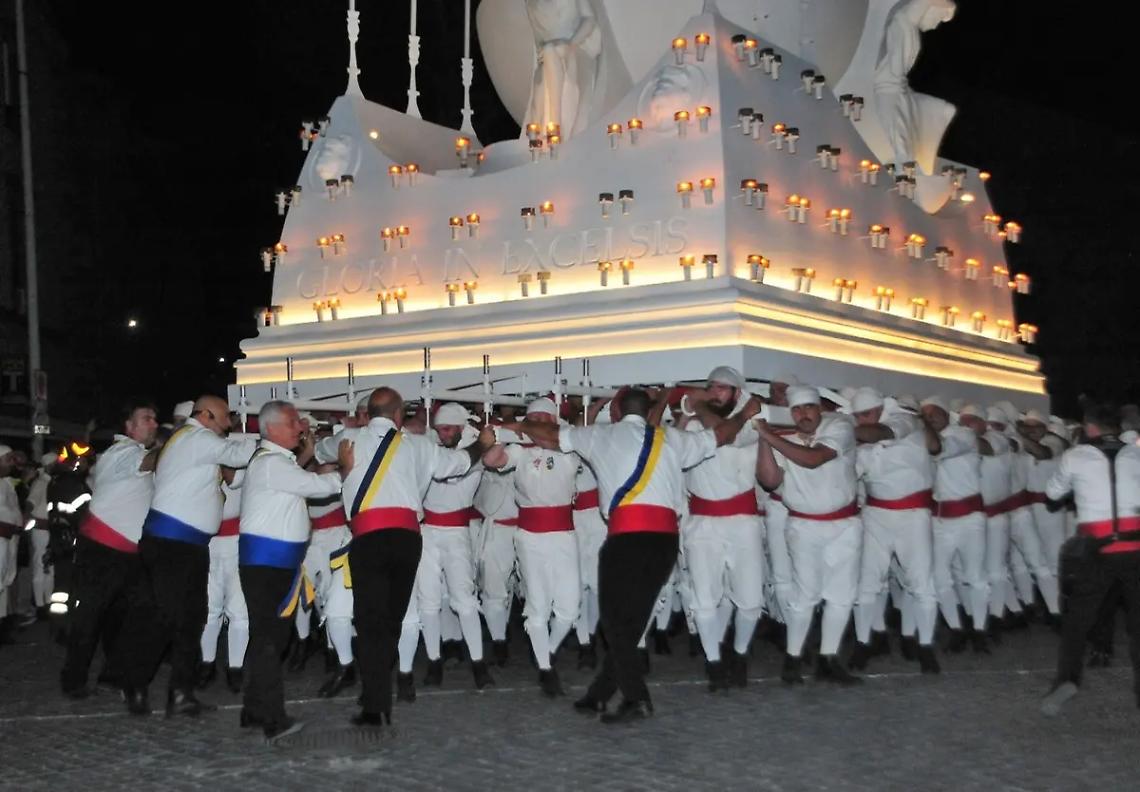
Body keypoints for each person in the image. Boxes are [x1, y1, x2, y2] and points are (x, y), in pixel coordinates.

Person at [509, 387, 755, 723]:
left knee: (615, 623)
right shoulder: (672, 438)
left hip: (627, 537)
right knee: (633, 622)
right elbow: (722, 435)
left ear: (616, 412)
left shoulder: (602, 436)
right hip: (665, 540)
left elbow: (551, 436)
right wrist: (744, 415)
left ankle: (637, 699)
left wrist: (519, 425)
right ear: (648, 411)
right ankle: (599, 695)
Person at [335, 387, 498, 728]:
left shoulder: (348, 440)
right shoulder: (420, 446)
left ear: (368, 413)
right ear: (398, 415)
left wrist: (342, 446)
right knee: (392, 621)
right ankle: (379, 694)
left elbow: (318, 448)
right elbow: (459, 463)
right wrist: (482, 444)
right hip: (407, 539)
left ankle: (375, 701)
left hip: (368, 537)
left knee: (370, 622)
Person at [118, 395, 258, 716]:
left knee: (191, 619)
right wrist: (266, 437)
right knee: (167, 618)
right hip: (172, 544)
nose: (229, 423)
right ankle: (135, 683)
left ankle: (180, 692)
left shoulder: (193, 440)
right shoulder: (197, 438)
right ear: (207, 415)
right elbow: (238, 455)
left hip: (187, 545)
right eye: (225, 416)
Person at [238, 401, 343, 741]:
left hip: (273, 563)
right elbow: (318, 486)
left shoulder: (274, 462)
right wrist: (349, 468)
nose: (300, 427)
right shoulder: (271, 463)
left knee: (268, 639)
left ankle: (254, 710)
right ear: (271, 429)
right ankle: (272, 718)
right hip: (268, 564)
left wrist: (309, 454)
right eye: (293, 422)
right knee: (270, 641)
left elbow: (299, 478)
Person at [755, 386, 863, 685]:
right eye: (797, 409)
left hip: (844, 525)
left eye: (809, 407)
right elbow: (769, 480)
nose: (803, 414)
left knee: (841, 595)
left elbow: (814, 458)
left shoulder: (839, 426)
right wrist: (763, 440)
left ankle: (828, 658)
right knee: (805, 594)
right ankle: (792, 658)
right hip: (803, 525)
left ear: (819, 408)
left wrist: (770, 436)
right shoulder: (783, 437)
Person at [1040, 403, 1140, 716]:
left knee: (1078, 621)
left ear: (1089, 427)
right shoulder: (1136, 454)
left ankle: (1067, 680)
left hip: (1095, 550)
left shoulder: (1076, 456)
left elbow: (1052, 494)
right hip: (1135, 547)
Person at [60, 401, 158, 696]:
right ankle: (74, 679)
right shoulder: (122, 452)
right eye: (146, 418)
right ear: (128, 426)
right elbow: (149, 462)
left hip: (128, 552)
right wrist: (180, 444)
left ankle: (112, 673)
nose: (154, 423)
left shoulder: (131, 452)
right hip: (103, 549)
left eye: (155, 419)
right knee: (91, 616)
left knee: (134, 613)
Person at [484, 397, 580, 696]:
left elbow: (551, 440)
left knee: (569, 609)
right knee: (537, 606)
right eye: (531, 417)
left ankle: (546, 651)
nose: (536, 422)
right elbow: (492, 461)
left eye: (542, 418)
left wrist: (520, 427)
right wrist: (502, 435)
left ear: (554, 421)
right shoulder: (520, 451)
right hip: (530, 537)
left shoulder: (569, 444)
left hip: (563, 535)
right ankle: (545, 669)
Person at [681, 366, 766, 690]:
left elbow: (726, 434)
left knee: (750, 599)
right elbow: (679, 448)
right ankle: (713, 661)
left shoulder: (751, 425)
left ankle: (740, 654)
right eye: (711, 387)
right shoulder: (693, 426)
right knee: (704, 598)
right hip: (703, 524)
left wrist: (704, 406)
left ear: (737, 393)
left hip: (743, 523)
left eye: (723, 388)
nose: (715, 393)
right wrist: (690, 411)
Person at [849, 387, 941, 673]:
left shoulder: (903, 420)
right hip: (876, 514)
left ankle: (926, 646)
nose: (862, 420)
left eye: (866, 414)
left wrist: (841, 428)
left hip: (912, 515)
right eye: (857, 416)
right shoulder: (861, 442)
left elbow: (880, 433)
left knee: (921, 582)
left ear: (880, 409)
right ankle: (863, 643)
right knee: (866, 582)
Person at [921, 395, 991, 652]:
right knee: (940, 578)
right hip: (941, 519)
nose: (930, 419)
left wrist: (921, 425)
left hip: (970, 518)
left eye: (934, 414)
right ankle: (956, 628)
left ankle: (980, 630)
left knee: (975, 576)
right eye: (926, 416)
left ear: (946, 414)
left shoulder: (963, 435)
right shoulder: (922, 439)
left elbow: (939, 448)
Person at [197, 462, 251, 694]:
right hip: (208, 541)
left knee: (239, 610)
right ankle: (207, 663)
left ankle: (235, 667)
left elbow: (234, 480)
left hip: (237, 542)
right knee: (209, 608)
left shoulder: (243, 457)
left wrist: (222, 461)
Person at [22, 453, 56, 623]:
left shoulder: (51, 483)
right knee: (40, 566)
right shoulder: (41, 483)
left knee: (49, 568)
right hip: (41, 531)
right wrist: (28, 522)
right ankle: (40, 605)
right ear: (49, 465)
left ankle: (48, 603)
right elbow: (30, 504)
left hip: (51, 530)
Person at [0, 444, 22, 644]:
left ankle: (3, 626)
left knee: (5, 582)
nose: (11, 463)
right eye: (7, 459)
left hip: (10, 540)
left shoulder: (7, 484)